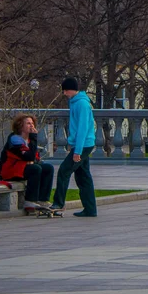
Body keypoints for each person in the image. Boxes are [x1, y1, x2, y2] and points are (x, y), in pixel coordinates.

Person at [50, 77, 97, 217]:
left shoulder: (81, 104)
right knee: (83, 177)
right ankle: (90, 209)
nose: (64, 93)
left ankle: (58, 203)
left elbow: (82, 129)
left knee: (64, 171)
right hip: (84, 144)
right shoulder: (76, 102)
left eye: (65, 90)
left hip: (83, 145)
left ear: (71, 89)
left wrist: (77, 151)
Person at [0, 114, 54, 209]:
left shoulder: (28, 140)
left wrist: (32, 159)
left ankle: (42, 199)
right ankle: (30, 200)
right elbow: (29, 157)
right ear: (20, 126)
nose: (32, 125)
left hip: (21, 168)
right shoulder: (15, 140)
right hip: (11, 171)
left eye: (32, 123)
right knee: (35, 169)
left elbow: (35, 158)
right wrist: (33, 139)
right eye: (28, 123)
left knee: (48, 168)